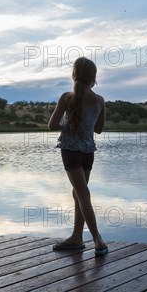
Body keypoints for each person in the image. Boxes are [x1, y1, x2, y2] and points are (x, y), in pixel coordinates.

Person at [48, 57, 108, 256]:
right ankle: (76, 237)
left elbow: (51, 125)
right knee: (78, 193)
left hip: (71, 152)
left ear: (74, 75)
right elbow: (98, 129)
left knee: (82, 194)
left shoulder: (67, 97)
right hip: (88, 153)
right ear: (93, 78)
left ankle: (98, 240)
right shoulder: (99, 100)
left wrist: (68, 125)